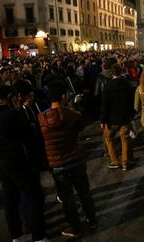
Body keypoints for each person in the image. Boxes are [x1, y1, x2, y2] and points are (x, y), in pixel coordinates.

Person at [0, 84, 47, 242]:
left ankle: (16, 235)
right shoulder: (10, 115)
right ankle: (39, 236)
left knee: (10, 199)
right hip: (17, 161)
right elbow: (27, 136)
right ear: (9, 97)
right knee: (35, 195)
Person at [38, 80, 97, 237]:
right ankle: (92, 220)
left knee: (67, 198)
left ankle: (75, 227)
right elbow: (80, 127)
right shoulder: (73, 115)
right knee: (84, 193)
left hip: (57, 164)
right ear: (64, 96)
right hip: (76, 160)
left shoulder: (42, 119)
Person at [100, 63, 136, 171]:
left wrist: (103, 119)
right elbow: (131, 101)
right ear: (121, 71)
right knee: (124, 140)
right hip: (125, 117)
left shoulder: (108, 85)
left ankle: (115, 160)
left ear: (111, 73)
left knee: (108, 139)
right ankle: (125, 163)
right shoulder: (127, 84)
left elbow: (104, 104)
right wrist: (131, 114)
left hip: (111, 119)